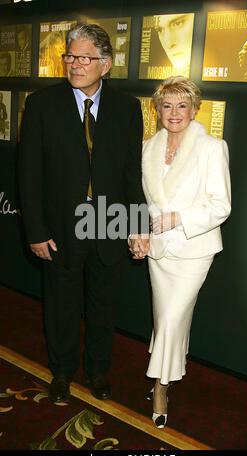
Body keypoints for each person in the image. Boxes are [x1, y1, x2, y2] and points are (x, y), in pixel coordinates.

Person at [19, 23, 148, 404]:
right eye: (70, 56)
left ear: (105, 65)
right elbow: (29, 174)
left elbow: (131, 174)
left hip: (109, 222)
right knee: (61, 304)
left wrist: (136, 226)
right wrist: (36, 231)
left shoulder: (127, 108)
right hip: (61, 225)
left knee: (103, 305)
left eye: (84, 58)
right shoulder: (42, 104)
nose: (74, 64)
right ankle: (61, 373)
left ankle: (97, 371)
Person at [140, 76, 231, 429]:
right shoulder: (148, 148)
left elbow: (220, 206)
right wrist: (139, 231)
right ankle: (168, 371)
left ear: (195, 109)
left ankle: (160, 386)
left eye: (182, 105)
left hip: (194, 250)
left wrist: (177, 218)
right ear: (157, 109)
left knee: (172, 317)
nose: (174, 112)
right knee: (165, 317)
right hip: (159, 252)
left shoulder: (212, 147)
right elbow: (145, 203)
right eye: (167, 105)